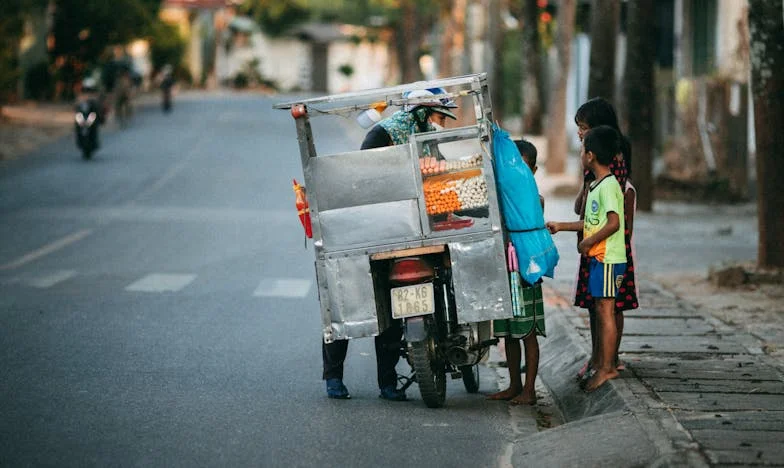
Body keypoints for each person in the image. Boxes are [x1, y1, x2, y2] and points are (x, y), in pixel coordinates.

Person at [323, 88, 459, 401]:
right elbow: (364, 182)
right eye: (439, 117)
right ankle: (333, 377)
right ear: (422, 113)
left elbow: (436, 176)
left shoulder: (424, 137)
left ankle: (387, 382)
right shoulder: (382, 135)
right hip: (372, 230)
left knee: (397, 304)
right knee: (348, 302)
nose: (441, 124)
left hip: (409, 232)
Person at [547, 126, 627, 392]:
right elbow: (591, 223)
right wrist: (561, 226)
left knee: (606, 311)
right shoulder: (596, 185)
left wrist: (589, 242)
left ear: (590, 155)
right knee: (602, 310)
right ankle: (603, 364)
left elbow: (613, 223)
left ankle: (607, 367)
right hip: (598, 258)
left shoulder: (609, 186)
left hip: (608, 258)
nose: (580, 154)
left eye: (582, 150)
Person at [571, 98, 638, 381]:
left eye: (584, 127)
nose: (579, 133)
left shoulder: (612, 167)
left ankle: (608, 360)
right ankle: (599, 357)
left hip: (607, 247)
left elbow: (612, 218)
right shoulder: (595, 167)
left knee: (610, 305)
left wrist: (588, 239)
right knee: (598, 304)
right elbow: (582, 205)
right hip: (595, 244)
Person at [487, 139, 545, 406]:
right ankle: (514, 385)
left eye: (523, 167)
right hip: (505, 270)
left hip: (526, 272)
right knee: (509, 332)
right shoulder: (501, 197)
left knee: (528, 332)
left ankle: (529, 390)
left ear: (534, 171)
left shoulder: (535, 199)